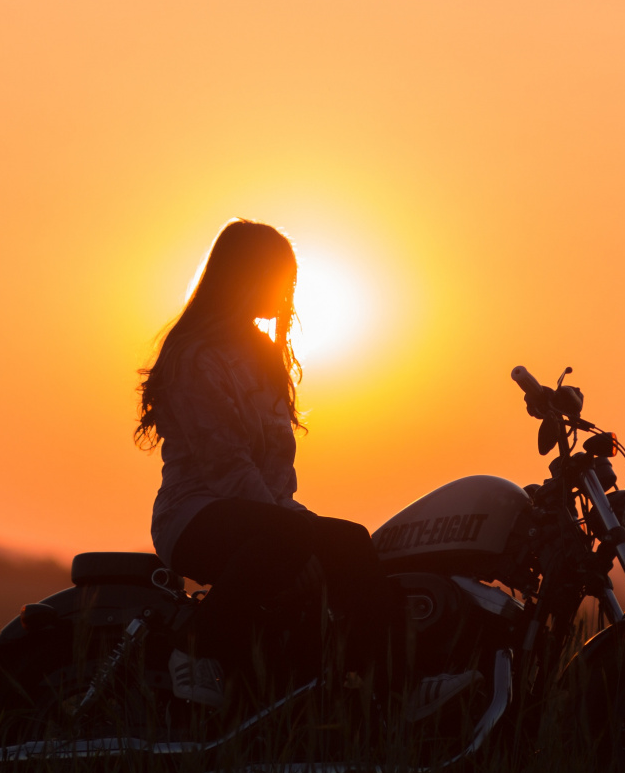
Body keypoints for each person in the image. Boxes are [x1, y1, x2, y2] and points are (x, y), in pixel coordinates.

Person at [136, 218, 475, 718]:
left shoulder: (263, 356)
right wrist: (297, 535)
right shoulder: (195, 357)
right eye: (277, 280)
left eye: (290, 282)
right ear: (242, 276)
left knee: (350, 541)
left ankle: (386, 690)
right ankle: (192, 647)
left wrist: (303, 529)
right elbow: (226, 465)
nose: (286, 294)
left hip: (263, 518)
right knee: (308, 537)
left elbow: (276, 475)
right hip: (195, 516)